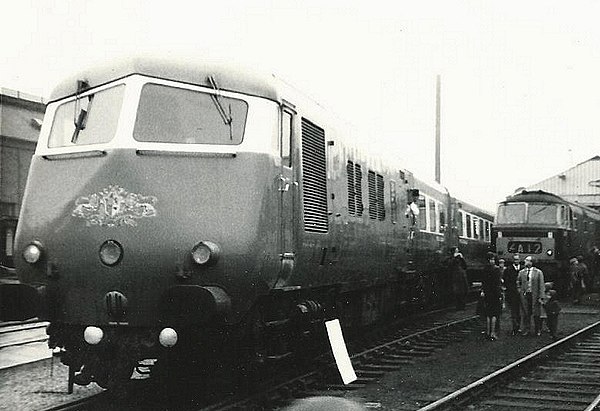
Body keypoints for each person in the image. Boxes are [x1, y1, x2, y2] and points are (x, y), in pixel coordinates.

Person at [517, 255, 546, 336]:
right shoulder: (521, 272)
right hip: (525, 295)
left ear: (531, 262)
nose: (525, 261)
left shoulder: (538, 272)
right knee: (526, 313)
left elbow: (541, 285)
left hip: (535, 296)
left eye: (527, 260)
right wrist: (520, 290)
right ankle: (527, 329)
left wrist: (541, 296)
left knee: (536, 313)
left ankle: (538, 330)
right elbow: (518, 282)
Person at [481, 252, 503, 340]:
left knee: (488, 314)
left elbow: (483, 282)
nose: (492, 261)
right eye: (492, 259)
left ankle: (487, 332)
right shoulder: (497, 270)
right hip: (495, 293)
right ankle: (493, 333)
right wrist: (500, 294)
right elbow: (498, 283)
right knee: (494, 314)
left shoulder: (484, 269)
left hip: (487, 293)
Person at [503, 254, 522, 336]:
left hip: (522, 293)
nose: (516, 261)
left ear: (519, 260)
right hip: (512, 293)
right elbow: (506, 281)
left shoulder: (523, 269)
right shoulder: (508, 270)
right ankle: (515, 328)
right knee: (514, 311)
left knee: (521, 311)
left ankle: (521, 326)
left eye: (517, 259)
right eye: (514, 259)